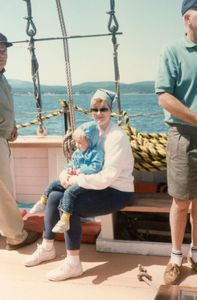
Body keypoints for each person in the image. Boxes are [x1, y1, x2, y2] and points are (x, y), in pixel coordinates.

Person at [24, 88, 134, 281]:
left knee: (70, 205)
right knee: (55, 196)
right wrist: (65, 175)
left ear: (111, 111)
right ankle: (47, 247)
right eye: (95, 109)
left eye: (104, 109)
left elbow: (106, 178)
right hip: (91, 184)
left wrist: (75, 180)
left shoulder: (117, 138)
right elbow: (76, 159)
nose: (99, 113)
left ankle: (73, 263)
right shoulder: (90, 131)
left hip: (117, 191)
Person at [155, 0, 197, 285]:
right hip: (183, 135)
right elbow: (164, 97)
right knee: (181, 201)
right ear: (188, 17)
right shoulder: (172, 51)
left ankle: (195, 253)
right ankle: (175, 257)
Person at [0, 32, 39, 250]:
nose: (1, 54)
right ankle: (15, 236)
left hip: (2, 138)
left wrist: (10, 127)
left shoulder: (1, 76)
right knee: (3, 189)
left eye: (4, 50)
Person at [29, 121, 104, 233]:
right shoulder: (78, 153)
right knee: (54, 183)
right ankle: (42, 201)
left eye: (80, 143)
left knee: (69, 193)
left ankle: (65, 220)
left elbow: (95, 168)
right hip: (73, 178)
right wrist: (67, 172)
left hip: (86, 182)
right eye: (76, 142)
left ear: (90, 141)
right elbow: (71, 164)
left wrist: (77, 171)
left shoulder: (97, 153)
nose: (77, 145)